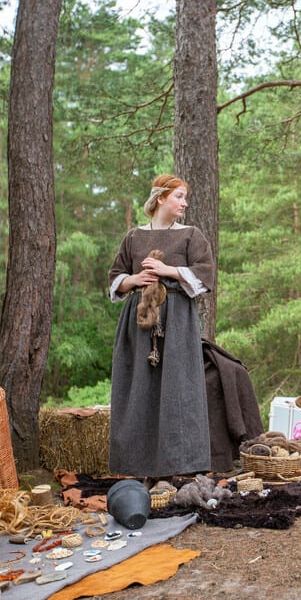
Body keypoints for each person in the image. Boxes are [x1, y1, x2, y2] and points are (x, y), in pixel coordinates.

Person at [108, 174, 216, 478]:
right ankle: (137, 466)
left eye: (185, 197)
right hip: (140, 321)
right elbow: (116, 277)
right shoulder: (134, 237)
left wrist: (166, 269)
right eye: (179, 197)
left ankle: (179, 467)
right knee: (138, 389)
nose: (184, 203)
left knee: (178, 389)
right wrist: (134, 280)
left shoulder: (191, 236)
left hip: (178, 320)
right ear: (160, 199)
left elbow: (205, 276)